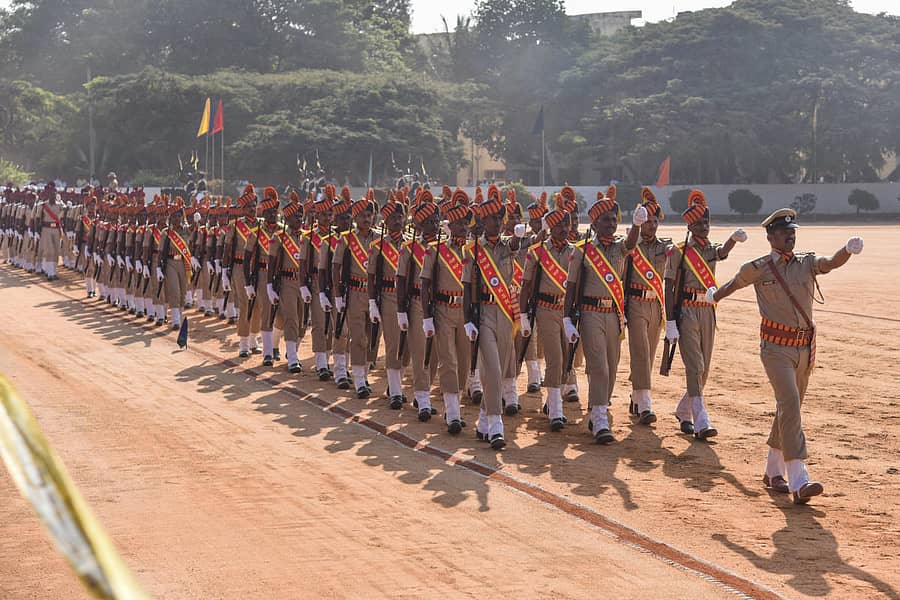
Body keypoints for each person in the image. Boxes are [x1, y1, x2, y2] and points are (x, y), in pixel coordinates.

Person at [711, 208, 864, 505]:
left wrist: (847, 250)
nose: (790, 235)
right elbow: (734, 284)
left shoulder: (805, 263)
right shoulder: (760, 267)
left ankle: (772, 471)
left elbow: (829, 264)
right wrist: (713, 297)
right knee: (790, 403)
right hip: (775, 349)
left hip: (805, 348)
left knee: (789, 407)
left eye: (792, 230)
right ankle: (798, 478)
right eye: (783, 232)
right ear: (770, 237)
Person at [664, 190, 747, 440]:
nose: (704, 227)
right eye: (699, 223)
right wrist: (669, 321)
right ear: (689, 225)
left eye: (707, 222)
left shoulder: (710, 248)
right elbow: (668, 286)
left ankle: (683, 410)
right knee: (695, 366)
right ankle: (701, 418)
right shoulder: (679, 251)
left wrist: (733, 238)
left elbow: (721, 253)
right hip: (687, 310)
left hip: (708, 310)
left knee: (705, 369)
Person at [562, 187, 643, 444]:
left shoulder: (620, 247)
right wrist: (567, 319)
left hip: (613, 313)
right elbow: (572, 285)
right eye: (606, 220)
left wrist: (637, 225)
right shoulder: (583, 250)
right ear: (595, 223)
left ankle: (600, 407)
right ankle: (598, 418)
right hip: (590, 313)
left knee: (612, 366)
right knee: (599, 366)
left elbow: (631, 244)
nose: (611, 224)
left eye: (614, 220)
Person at [463, 184, 527, 450]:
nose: (495, 223)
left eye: (499, 219)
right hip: (484, 313)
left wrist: (518, 235)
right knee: (492, 367)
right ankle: (496, 424)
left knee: (497, 374)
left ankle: (482, 420)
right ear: (482, 221)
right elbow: (467, 288)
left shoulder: (506, 247)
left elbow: (513, 245)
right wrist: (468, 319)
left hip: (505, 313)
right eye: (490, 219)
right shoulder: (473, 250)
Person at [421, 191, 473, 433]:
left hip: (466, 311)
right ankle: (452, 413)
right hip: (442, 309)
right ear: (449, 225)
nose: (464, 227)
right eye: (459, 223)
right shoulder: (435, 249)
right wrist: (427, 317)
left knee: (464, 362)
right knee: (449, 362)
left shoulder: (473, 250)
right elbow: (425, 285)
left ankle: (457, 406)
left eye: (466, 223)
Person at [519, 205, 574, 431]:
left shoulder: (576, 251)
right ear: (549, 227)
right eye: (558, 225)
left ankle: (552, 403)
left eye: (566, 224)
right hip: (546, 308)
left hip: (568, 312)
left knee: (567, 360)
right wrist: (523, 315)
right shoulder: (537, 251)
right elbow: (526, 285)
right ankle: (556, 412)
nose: (563, 229)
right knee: (555, 358)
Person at [625, 187, 671, 424]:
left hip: (656, 303)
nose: (652, 225)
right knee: (641, 352)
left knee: (649, 355)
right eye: (648, 221)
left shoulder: (664, 246)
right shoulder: (631, 244)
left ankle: (635, 395)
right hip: (634, 302)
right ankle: (645, 403)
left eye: (655, 221)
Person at [332, 189, 377, 398]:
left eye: (369, 215)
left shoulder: (379, 239)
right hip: (355, 293)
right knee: (358, 338)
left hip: (375, 295)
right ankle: (359, 381)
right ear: (355, 218)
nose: (366, 219)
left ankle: (365, 375)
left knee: (372, 338)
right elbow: (336, 267)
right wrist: (338, 296)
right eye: (362, 216)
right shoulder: (346, 239)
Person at [368, 191, 406, 408]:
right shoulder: (378, 246)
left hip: (410, 298)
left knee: (407, 345)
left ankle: (395, 385)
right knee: (392, 343)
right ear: (386, 221)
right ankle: (395, 392)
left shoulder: (411, 244)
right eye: (393, 218)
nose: (398, 221)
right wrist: (373, 302)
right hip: (389, 296)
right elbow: (372, 276)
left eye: (400, 217)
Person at [267, 193, 310, 373]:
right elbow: (272, 262)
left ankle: (293, 350)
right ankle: (292, 356)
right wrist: (270, 286)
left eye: (301, 215)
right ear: (287, 218)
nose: (299, 218)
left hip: (304, 282)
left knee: (303, 321)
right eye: (295, 216)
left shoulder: (307, 237)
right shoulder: (280, 237)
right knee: (291, 318)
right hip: (286, 281)